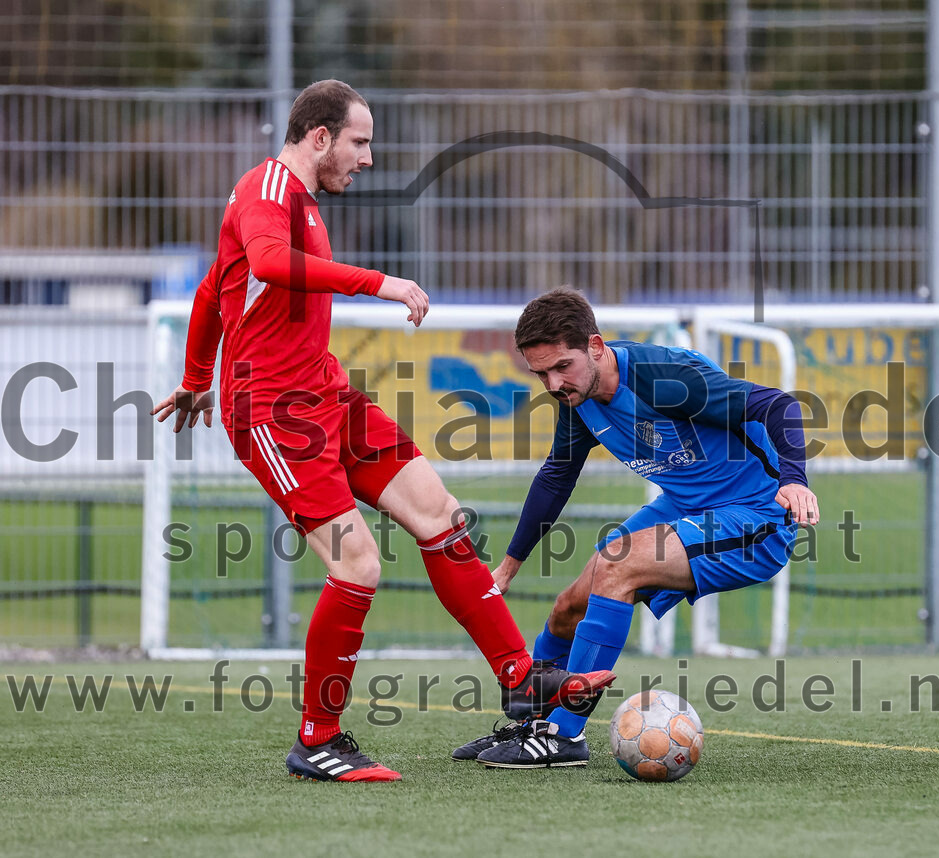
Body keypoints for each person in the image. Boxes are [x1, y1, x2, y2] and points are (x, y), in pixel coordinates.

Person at [151, 81, 613, 783]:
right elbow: (268, 267)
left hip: (325, 393)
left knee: (440, 516)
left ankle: (521, 680)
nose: (367, 158)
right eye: (359, 142)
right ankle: (318, 740)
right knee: (358, 564)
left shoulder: (291, 198)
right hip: (275, 412)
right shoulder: (266, 191)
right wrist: (380, 283)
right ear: (318, 136)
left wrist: (192, 380)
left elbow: (216, 288)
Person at [453, 287, 819, 768]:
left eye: (562, 366)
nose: (552, 383)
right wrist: (507, 567)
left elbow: (778, 405)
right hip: (686, 506)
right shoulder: (577, 399)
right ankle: (532, 725)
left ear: (597, 347)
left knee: (616, 563)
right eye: (540, 372)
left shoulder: (664, 378)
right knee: (567, 607)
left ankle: (564, 737)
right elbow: (556, 477)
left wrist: (795, 482)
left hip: (757, 515)